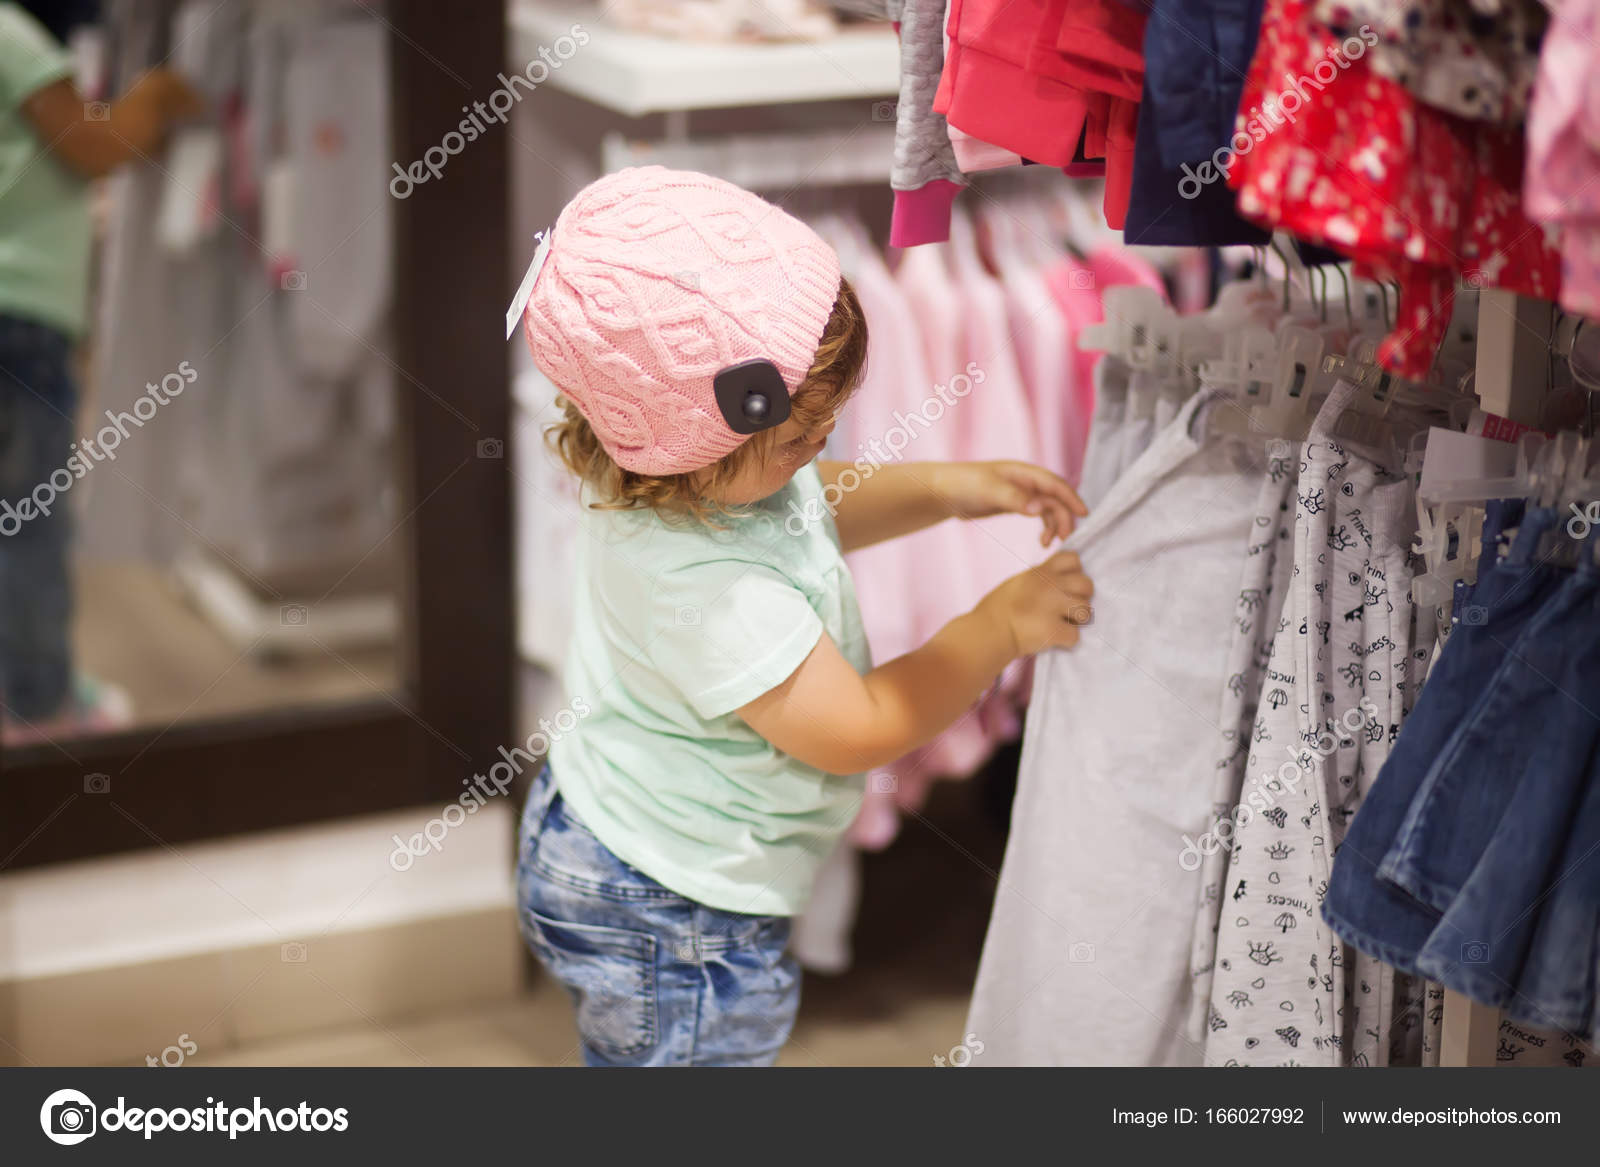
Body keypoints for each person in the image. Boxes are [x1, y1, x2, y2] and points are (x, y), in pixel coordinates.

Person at [512, 166, 1094, 1065]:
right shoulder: (713, 592)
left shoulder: (664, 473)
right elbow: (858, 727)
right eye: (795, 439)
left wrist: (943, 488)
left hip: (616, 836)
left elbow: (804, 506)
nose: (819, 448)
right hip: (675, 911)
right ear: (689, 446)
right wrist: (998, 627)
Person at [0, 2, 200, 742]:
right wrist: (155, 95)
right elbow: (94, 144)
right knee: (26, 520)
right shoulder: (9, 36)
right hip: (19, 318)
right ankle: (37, 703)